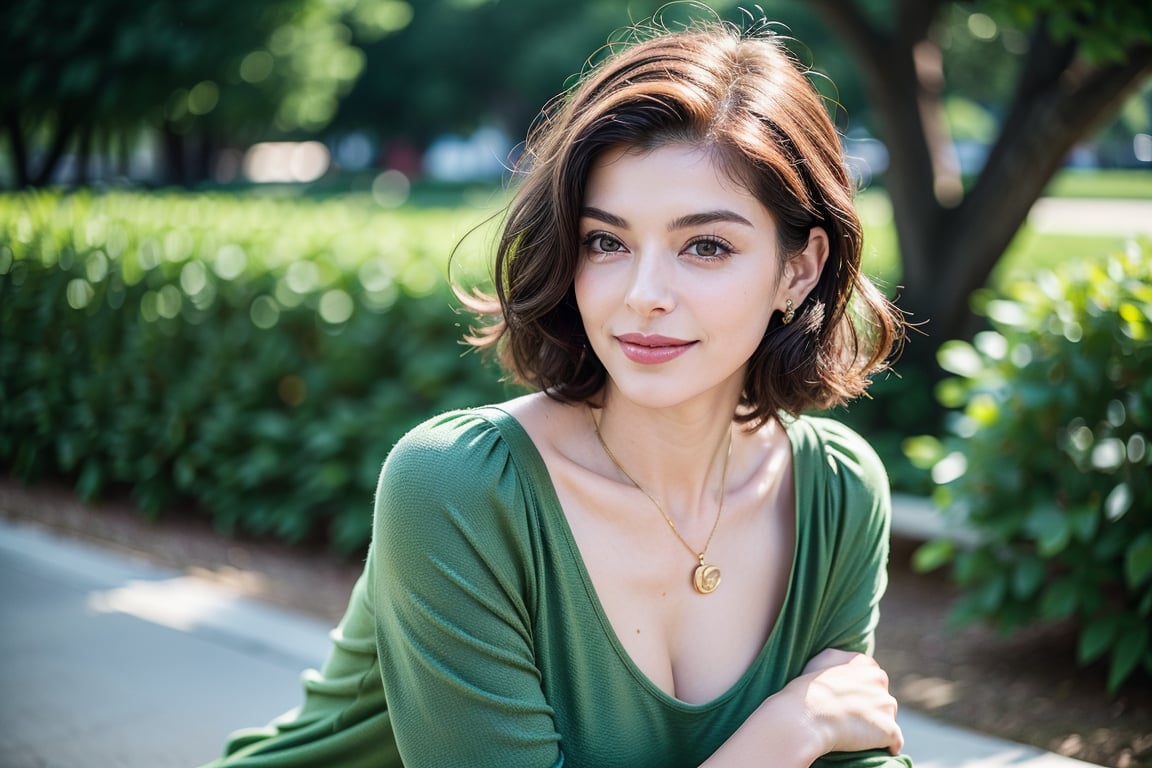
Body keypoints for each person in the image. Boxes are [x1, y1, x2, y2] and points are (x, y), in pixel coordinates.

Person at [201, 15, 911, 768]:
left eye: (706, 246)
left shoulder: (835, 492)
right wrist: (791, 730)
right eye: (606, 241)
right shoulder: (460, 488)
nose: (644, 295)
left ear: (798, 270)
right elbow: (824, 733)